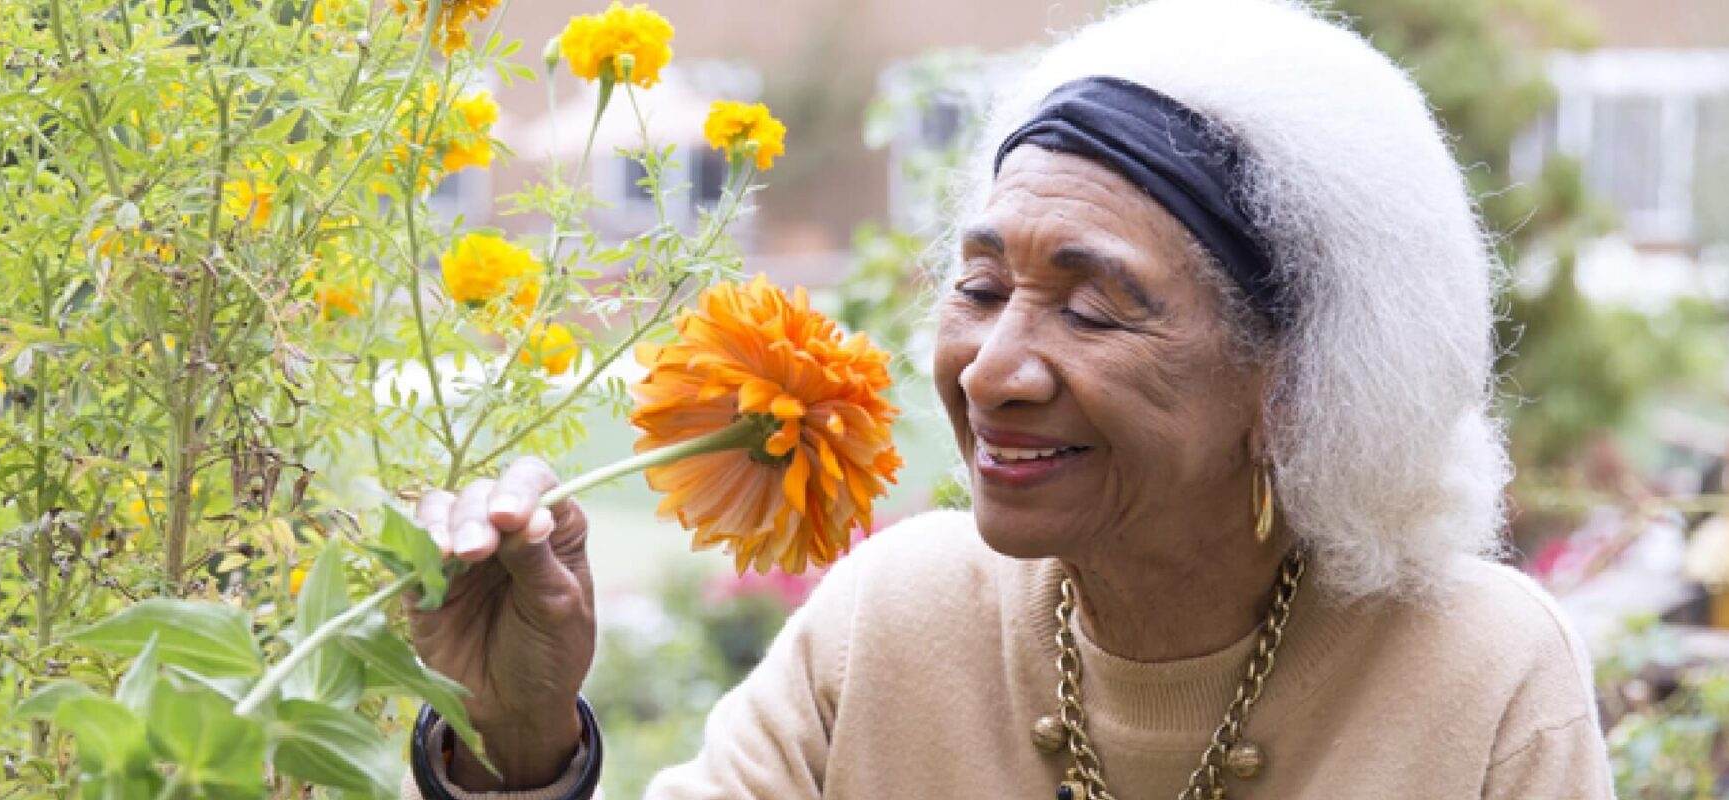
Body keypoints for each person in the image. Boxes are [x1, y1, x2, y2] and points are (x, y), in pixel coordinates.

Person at [399, 0, 1613, 797]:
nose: (990, 369)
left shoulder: (1481, 672)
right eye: (982, 285)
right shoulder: (896, 615)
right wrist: (518, 740)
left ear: (1290, 382)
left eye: (1091, 308)